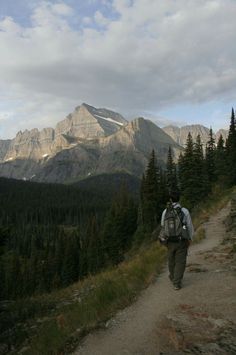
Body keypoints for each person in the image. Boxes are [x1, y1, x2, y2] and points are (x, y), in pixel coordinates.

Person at [161, 191, 194, 290]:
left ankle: (172, 276)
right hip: (181, 240)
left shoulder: (165, 211)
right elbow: (189, 225)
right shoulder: (184, 211)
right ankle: (177, 282)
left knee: (171, 259)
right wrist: (190, 238)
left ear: (170, 200)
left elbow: (163, 225)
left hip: (169, 240)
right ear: (179, 199)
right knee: (180, 261)